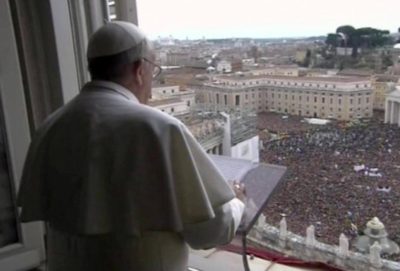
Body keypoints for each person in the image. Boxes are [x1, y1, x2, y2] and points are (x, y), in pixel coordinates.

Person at [17, 21, 244, 271]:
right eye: (153, 71)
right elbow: (210, 232)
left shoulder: (51, 125)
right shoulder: (158, 128)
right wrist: (236, 202)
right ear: (139, 69)